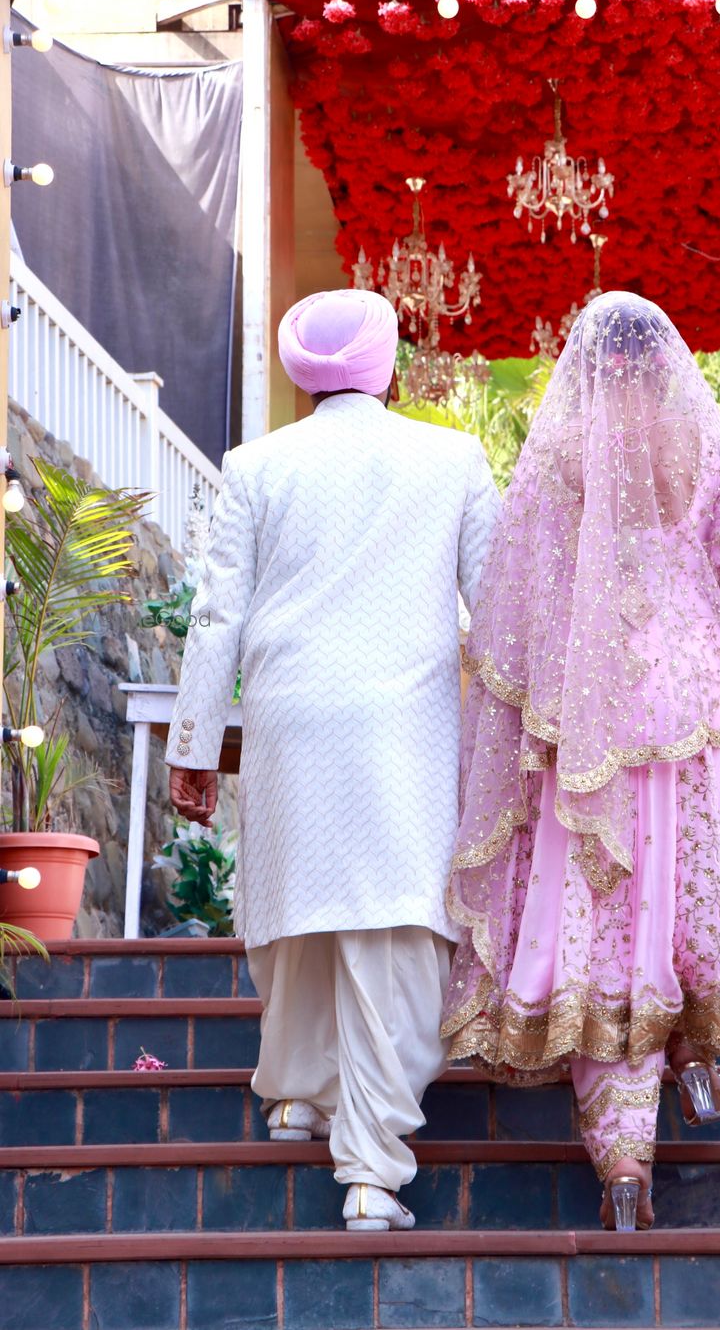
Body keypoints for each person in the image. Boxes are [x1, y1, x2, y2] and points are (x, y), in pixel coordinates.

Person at [441, 291, 720, 1232]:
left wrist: (516, 699)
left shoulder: (563, 451)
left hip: (588, 708)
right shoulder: (701, 441)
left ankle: (626, 1164)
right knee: (683, 890)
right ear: (666, 357)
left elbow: (511, 588)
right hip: (693, 699)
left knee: (607, 918)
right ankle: (693, 1054)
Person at [166, 289, 501, 1232]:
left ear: (295, 371)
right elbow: (503, 607)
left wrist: (195, 745)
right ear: (388, 365)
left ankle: (298, 1098)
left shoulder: (255, 465)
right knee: (393, 927)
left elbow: (216, 618)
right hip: (403, 731)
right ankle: (371, 1174)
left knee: (298, 913)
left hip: (291, 725)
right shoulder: (452, 458)